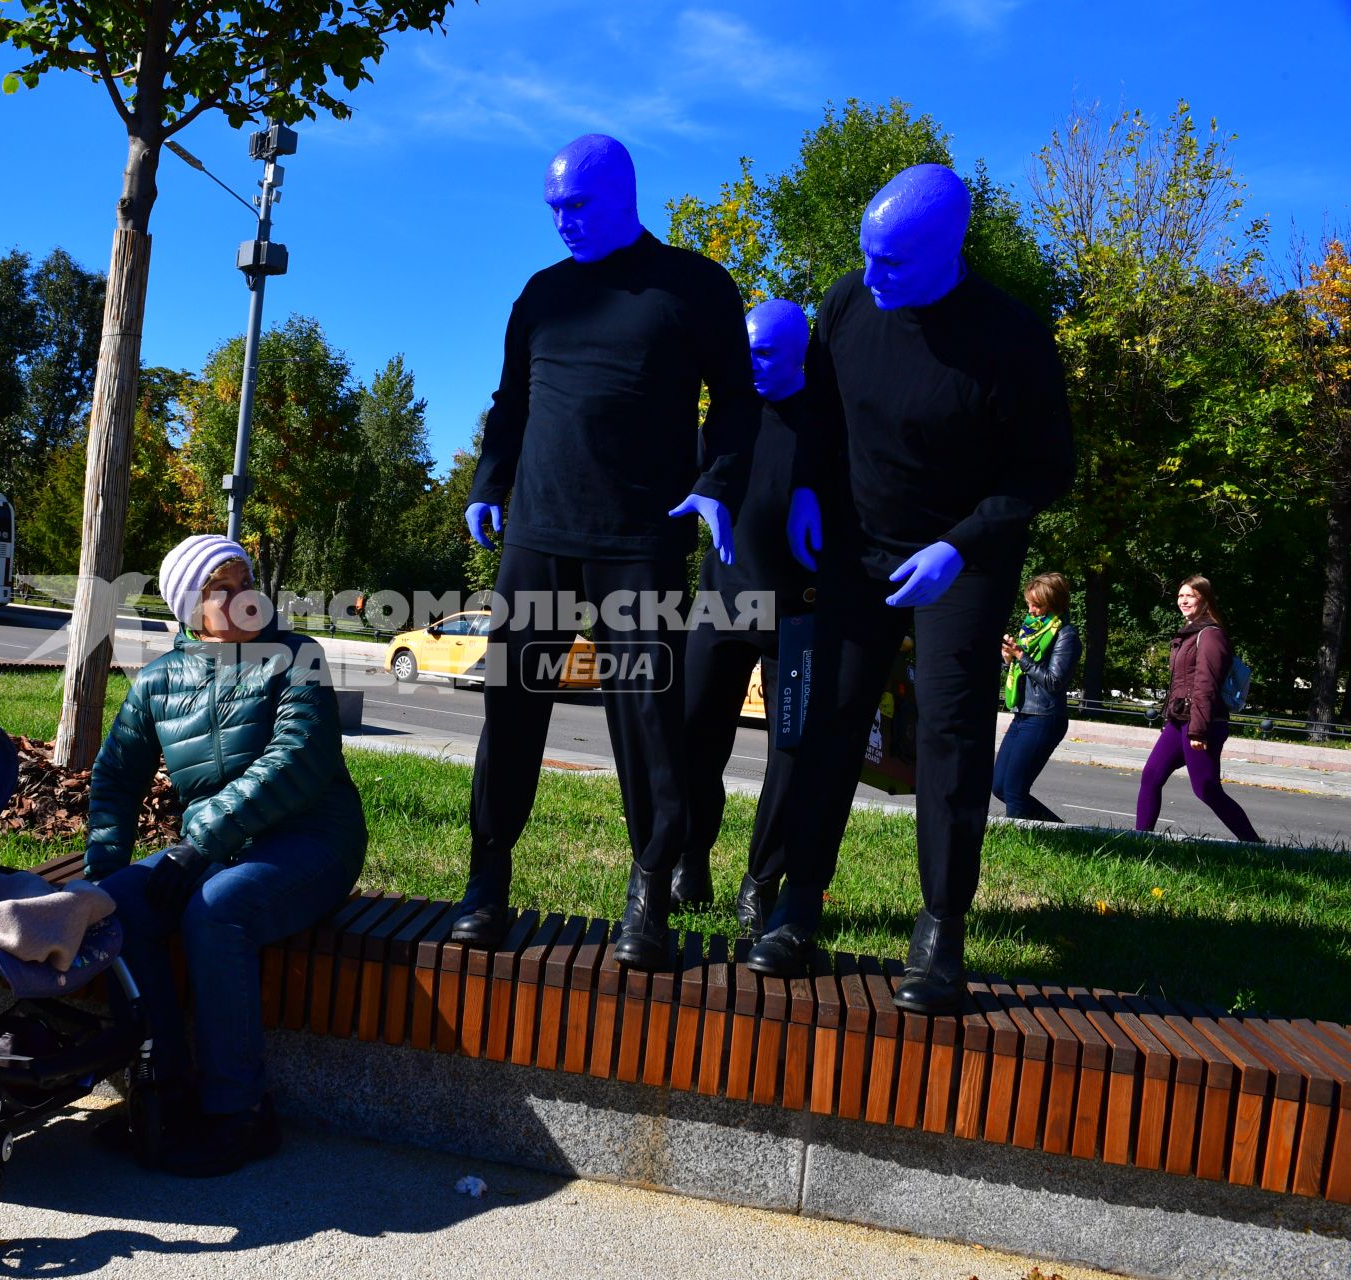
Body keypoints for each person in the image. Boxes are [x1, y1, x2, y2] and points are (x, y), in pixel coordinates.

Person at [745, 164, 1073, 1016]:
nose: (872, 274)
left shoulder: (1011, 339)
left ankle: (939, 928)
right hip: (859, 549)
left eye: (892, 262)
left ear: (947, 252)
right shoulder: (851, 303)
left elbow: (1044, 471)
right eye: (867, 255)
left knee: (952, 737)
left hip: (960, 558)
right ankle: (797, 904)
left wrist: (960, 547)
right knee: (830, 724)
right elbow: (817, 411)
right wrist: (812, 487)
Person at [453, 133, 757, 971]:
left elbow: (736, 400)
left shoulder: (694, 286)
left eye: (577, 206)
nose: (562, 223)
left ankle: (649, 890)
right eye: (552, 208)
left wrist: (716, 483)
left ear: (624, 193)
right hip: (539, 532)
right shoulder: (544, 294)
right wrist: (488, 482)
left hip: (639, 539)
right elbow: (510, 399)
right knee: (510, 709)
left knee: (648, 720)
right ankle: (487, 882)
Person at [87, 534, 366, 1177]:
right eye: (223, 589)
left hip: (311, 842)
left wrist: (199, 841)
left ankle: (241, 1114)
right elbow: (115, 783)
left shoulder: (298, 656)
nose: (245, 599)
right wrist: (108, 881)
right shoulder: (157, 682)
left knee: (216, 911)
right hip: (212, 848)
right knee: (118, 910)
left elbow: (299, 757)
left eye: (246, 582)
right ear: (191, 608)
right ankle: (165, 1093)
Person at [675, 299, 818, 936]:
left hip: (797, 612)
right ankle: (690, 853)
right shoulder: (729, 412)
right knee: (696, 735)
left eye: (763, 355)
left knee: (790, 753)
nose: (749, 366)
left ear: (799, 355)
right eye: (745, 353)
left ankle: (762, 880)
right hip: (722, 599)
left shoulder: (828, 422)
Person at [1134, 575, 1262, 842]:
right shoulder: (1189, 634)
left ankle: (1253, 844)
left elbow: (1206, 686)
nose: (1183, 601)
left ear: (1204, 599)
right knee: (1151, 776)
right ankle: (1139, 840)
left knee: (1206, 789)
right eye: (1180, 596)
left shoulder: (1211, 635)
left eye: (1189, 596)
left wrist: (1198, 731)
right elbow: (1180, 684)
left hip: (1201, 723)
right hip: (1179, 720)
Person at [993, 572, 1079, 822]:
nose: (1031, 610)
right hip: (1022, 713)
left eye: (1037, 605)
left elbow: (1054, 681)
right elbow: (1020, 673)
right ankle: (1063, 831)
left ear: (1054, 604)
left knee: (1015, 790)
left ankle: (1020, 841)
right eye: (1029, 603)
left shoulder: (1066, 635)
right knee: (999, 787)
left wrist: (1021, 656)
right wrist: (1008, 658)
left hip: (1045, 717)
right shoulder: (1031, 631)